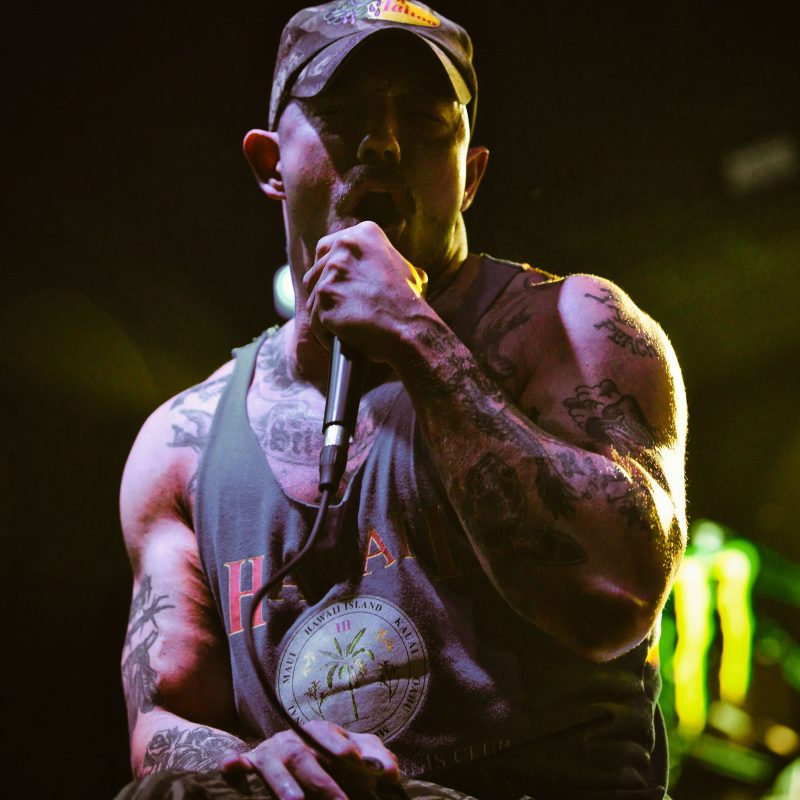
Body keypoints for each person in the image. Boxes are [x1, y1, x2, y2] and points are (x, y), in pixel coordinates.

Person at [116, 2, 687, 799]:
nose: (383, 144)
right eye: (344, 114)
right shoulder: (184, 441)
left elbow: (612, 597)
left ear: (470, 174)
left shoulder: (575, 327)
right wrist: (259, 764)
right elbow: (164, 719)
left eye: (423, 120)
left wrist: (414, 334)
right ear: (270, 163)